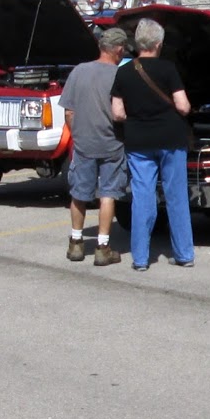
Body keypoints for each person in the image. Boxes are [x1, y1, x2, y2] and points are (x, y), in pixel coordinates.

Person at [110, 18, 195, 272]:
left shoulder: (123, 72)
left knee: (142, 197)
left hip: (138, 141)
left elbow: (117, 113)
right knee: (176, 196)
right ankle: (183, 254)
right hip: (171, 138)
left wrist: (138, 117)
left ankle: (140, 258)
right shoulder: (168, 69)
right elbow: (182, 106)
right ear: (158, 44)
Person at [60, 27, 129, 266]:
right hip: (112, 144)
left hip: (84, 143)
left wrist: (78, 135)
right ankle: (102, 247)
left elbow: (69, 111)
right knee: (108, 194)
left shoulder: (79, 71)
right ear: (119, 49)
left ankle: (76, 244)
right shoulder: (120, 76)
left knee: (79, 194)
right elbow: (122, 113)